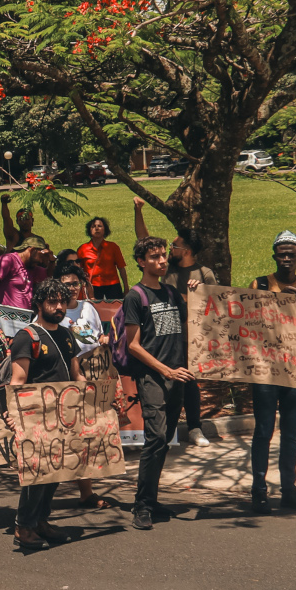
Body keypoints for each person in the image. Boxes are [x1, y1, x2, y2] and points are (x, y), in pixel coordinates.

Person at [5, 277, 84, 551]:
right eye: (53, 301)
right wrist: (13, 415)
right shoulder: (27, 337)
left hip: (63, 416)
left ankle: (41, 521)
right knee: (37, 474)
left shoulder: (66, 334)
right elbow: (18, 380)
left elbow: (76, 374)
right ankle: (23, 527)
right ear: (39, 303)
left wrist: (97, 398)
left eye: (63, 301)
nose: (59, 306)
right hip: (36, 416)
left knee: (56, 471)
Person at [247, 231, 296, 513]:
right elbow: (247, 321)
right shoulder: (262, 283)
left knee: (291, 434)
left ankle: (289, 490)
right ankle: (259, 492)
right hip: (266, 369)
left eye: (292, 254)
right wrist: (277, 300)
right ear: (275, 257)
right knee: (263, 431)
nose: (287, 259)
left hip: (295, 371)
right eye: (282, 254)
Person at [134, 197, 218, 447]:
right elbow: (143, 242)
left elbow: (218, 308)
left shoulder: (205, 274)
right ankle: (165, 435)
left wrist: (201, 291)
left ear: (188, 251)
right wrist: (138, 211)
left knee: (188, 383)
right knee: (162, 386)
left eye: (175, 246)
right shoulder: (165, 267)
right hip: (162, 339)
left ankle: (194, 427)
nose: (170, 250)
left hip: (190, 339)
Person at [122, 236, 190, 531]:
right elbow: (133, 345)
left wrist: (195, 294)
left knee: (166, 440)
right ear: (141, 261)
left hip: (178, 377)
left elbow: (192, 328)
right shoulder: (135, 296)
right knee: (156, 438)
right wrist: (165, 370)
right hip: (153, 377)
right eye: (154, 257)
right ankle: (142, 505)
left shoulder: (173, 294)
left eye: (164, 256)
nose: (162, 261)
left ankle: (152, 497)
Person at [0, 235, 50, 308]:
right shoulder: (8, 260)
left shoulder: (33, 267)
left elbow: (49, 277)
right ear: (32, 250)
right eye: (41, 256)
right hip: (4, 315)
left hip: (25, 317)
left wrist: (51, 261)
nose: (41, 261)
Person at [78, 216, 129, 301]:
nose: (97, 228)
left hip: (113, 285)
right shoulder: (83, 249)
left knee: (116, 311)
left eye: (100, 226)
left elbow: (121, 268)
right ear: (89, 230)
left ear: (105, 229)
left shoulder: (113, 247)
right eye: (93, 226)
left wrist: (126, 287)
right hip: (92, 287)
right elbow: (79, 270)